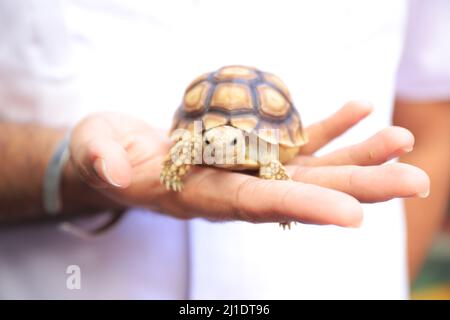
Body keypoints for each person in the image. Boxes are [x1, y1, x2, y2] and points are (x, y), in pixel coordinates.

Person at [0, 0, 445, 299]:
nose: (219, 145)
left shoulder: (257, 143)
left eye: (226, 142)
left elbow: (435, 116)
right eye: (211, 140)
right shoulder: (198, 141)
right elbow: (190, 143)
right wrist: (63, 170)